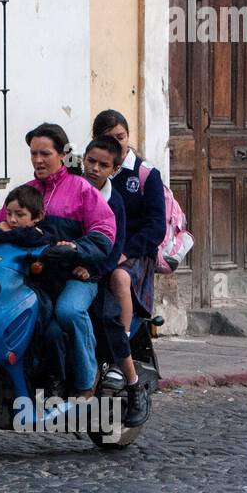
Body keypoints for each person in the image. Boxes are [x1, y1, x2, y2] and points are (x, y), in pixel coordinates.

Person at [0, 123, 115, 396]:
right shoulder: (24, 193)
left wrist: (75, 249)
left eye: (45, 154)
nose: (38, 160)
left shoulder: (82, 189)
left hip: (76, 275)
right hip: (32, 277)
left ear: (62, 154)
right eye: (33, 154)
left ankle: (86, 379)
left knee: (68, 311)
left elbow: (105, 233)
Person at [79, 134, 149, 427]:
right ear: (82, 159)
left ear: (113, 170)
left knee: (109, 322)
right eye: (91, 161)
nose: (95, 168)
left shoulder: (115, 202)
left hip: (101, 273)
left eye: (103, 165)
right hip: (68, 270)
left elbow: (115, 244)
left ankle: (133, 386)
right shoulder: (72, 188)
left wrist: (95, 271)